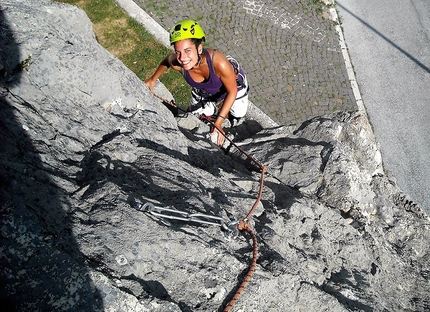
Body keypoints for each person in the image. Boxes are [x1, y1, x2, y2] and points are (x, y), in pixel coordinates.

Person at [144, 19, 249, 147]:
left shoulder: (218, 62)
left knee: (239, 113)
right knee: (200, 115)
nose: (182, 58)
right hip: (203, 91)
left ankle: (227, 115)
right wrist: (152, 79)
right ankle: (213, 111)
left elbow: (232, 91)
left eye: (187, 50)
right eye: (178, 52)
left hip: (233, 85)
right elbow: (167, 60)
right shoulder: (180, 64)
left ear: (199, 48)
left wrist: (219, 122)